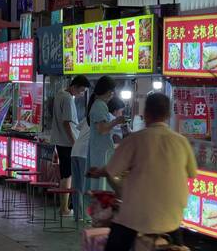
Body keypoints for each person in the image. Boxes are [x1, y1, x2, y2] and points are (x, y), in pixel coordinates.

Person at [88, 93, 198, 251]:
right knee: (178, 244)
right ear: (167, 115)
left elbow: (112, 170)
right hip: (172, 218)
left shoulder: (135, 140)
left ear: (145, 113)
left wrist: (98, 172)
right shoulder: (181, 141)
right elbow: (192, 173)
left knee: (115, 244)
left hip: (136, 217)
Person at [50, 75, 91, 215]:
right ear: (75, 86)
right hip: (67, 142)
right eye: (81, 90)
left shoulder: (59, 94)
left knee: (65, 174)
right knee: (67, 175)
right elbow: (67, 123)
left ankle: (64, 207)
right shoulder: (67, 98)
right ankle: (64, 208)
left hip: (60, 140)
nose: (80, 94)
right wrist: (74, 142)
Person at [87, 76, 125, 191]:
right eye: (112, 92)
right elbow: (102, 129)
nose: (113, 95)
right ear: (108, 91)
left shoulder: (98, 104)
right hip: (101, 152)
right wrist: (117, 121)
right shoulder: (99, 105)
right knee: (102, 186)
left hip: (100, 150)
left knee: (102, 184)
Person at [70, 118, 90, 222]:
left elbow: (77, 126)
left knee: (76, 185)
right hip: (84, 153)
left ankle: (78, 215)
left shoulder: (88, 118)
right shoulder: (106, 117)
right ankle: (87, 215)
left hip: (75, 151)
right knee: (85, 185)